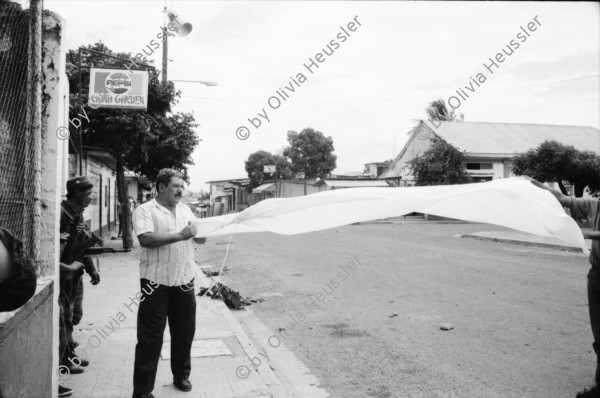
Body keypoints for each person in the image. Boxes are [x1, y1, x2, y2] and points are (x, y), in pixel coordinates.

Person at [131, 168, 206, 398]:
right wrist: (181, 235)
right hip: (156, 282)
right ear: (161, 187)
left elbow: (199, 237)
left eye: (182, 186)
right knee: (150, 338)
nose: (180, 190)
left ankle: (181, 376)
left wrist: (201, 232)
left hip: (184, 280)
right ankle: (142, 391)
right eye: (175, 186)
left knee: (184, 332)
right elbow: (146, 239)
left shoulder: (185, 209)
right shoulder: (145, 210)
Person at [528, 179, 600, 398]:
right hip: (597, 275)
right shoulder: (595, 205)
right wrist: (534, 184)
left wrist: (586, 234)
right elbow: (562, 198)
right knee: (599, 333)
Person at [60, 176, 102, 373]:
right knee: (65, 316)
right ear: (77, 194)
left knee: (75, 315)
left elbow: (81, 245)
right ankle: (65, 359)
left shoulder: (79, 214)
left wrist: (91, 268)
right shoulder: (61, 213)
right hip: (64, 273)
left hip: (76, 272)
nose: (89, 199)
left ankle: (69, 352)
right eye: (88, 195)